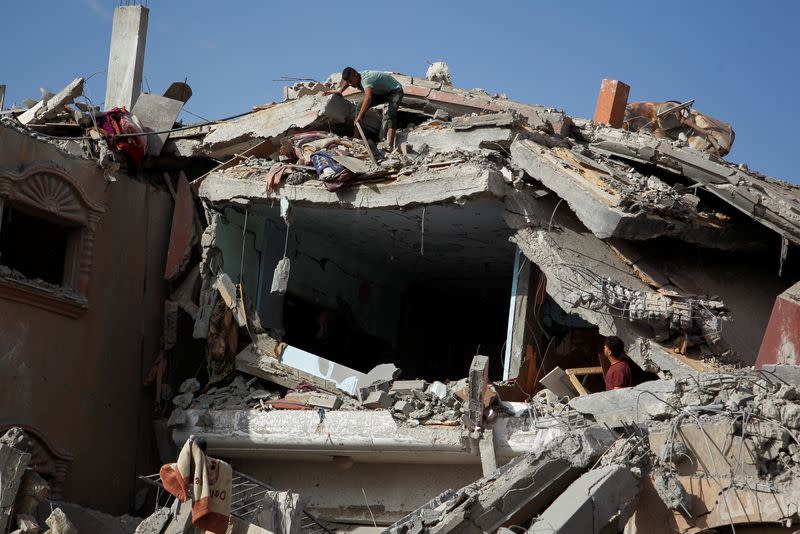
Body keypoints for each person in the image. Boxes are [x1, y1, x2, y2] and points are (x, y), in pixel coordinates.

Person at [327, 67, 404, 149]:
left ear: (355, 75)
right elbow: (347, 81)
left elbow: (368, 98)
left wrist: (360, 116)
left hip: (395, 91)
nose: (349, 84)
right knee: (359, 107)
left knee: (390, 114)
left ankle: (389, 145)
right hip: (382, 92)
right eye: (348, 81)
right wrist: (340, 91)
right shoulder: (355, 76)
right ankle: (356, 138)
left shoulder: (366, 80)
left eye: (351, 81)